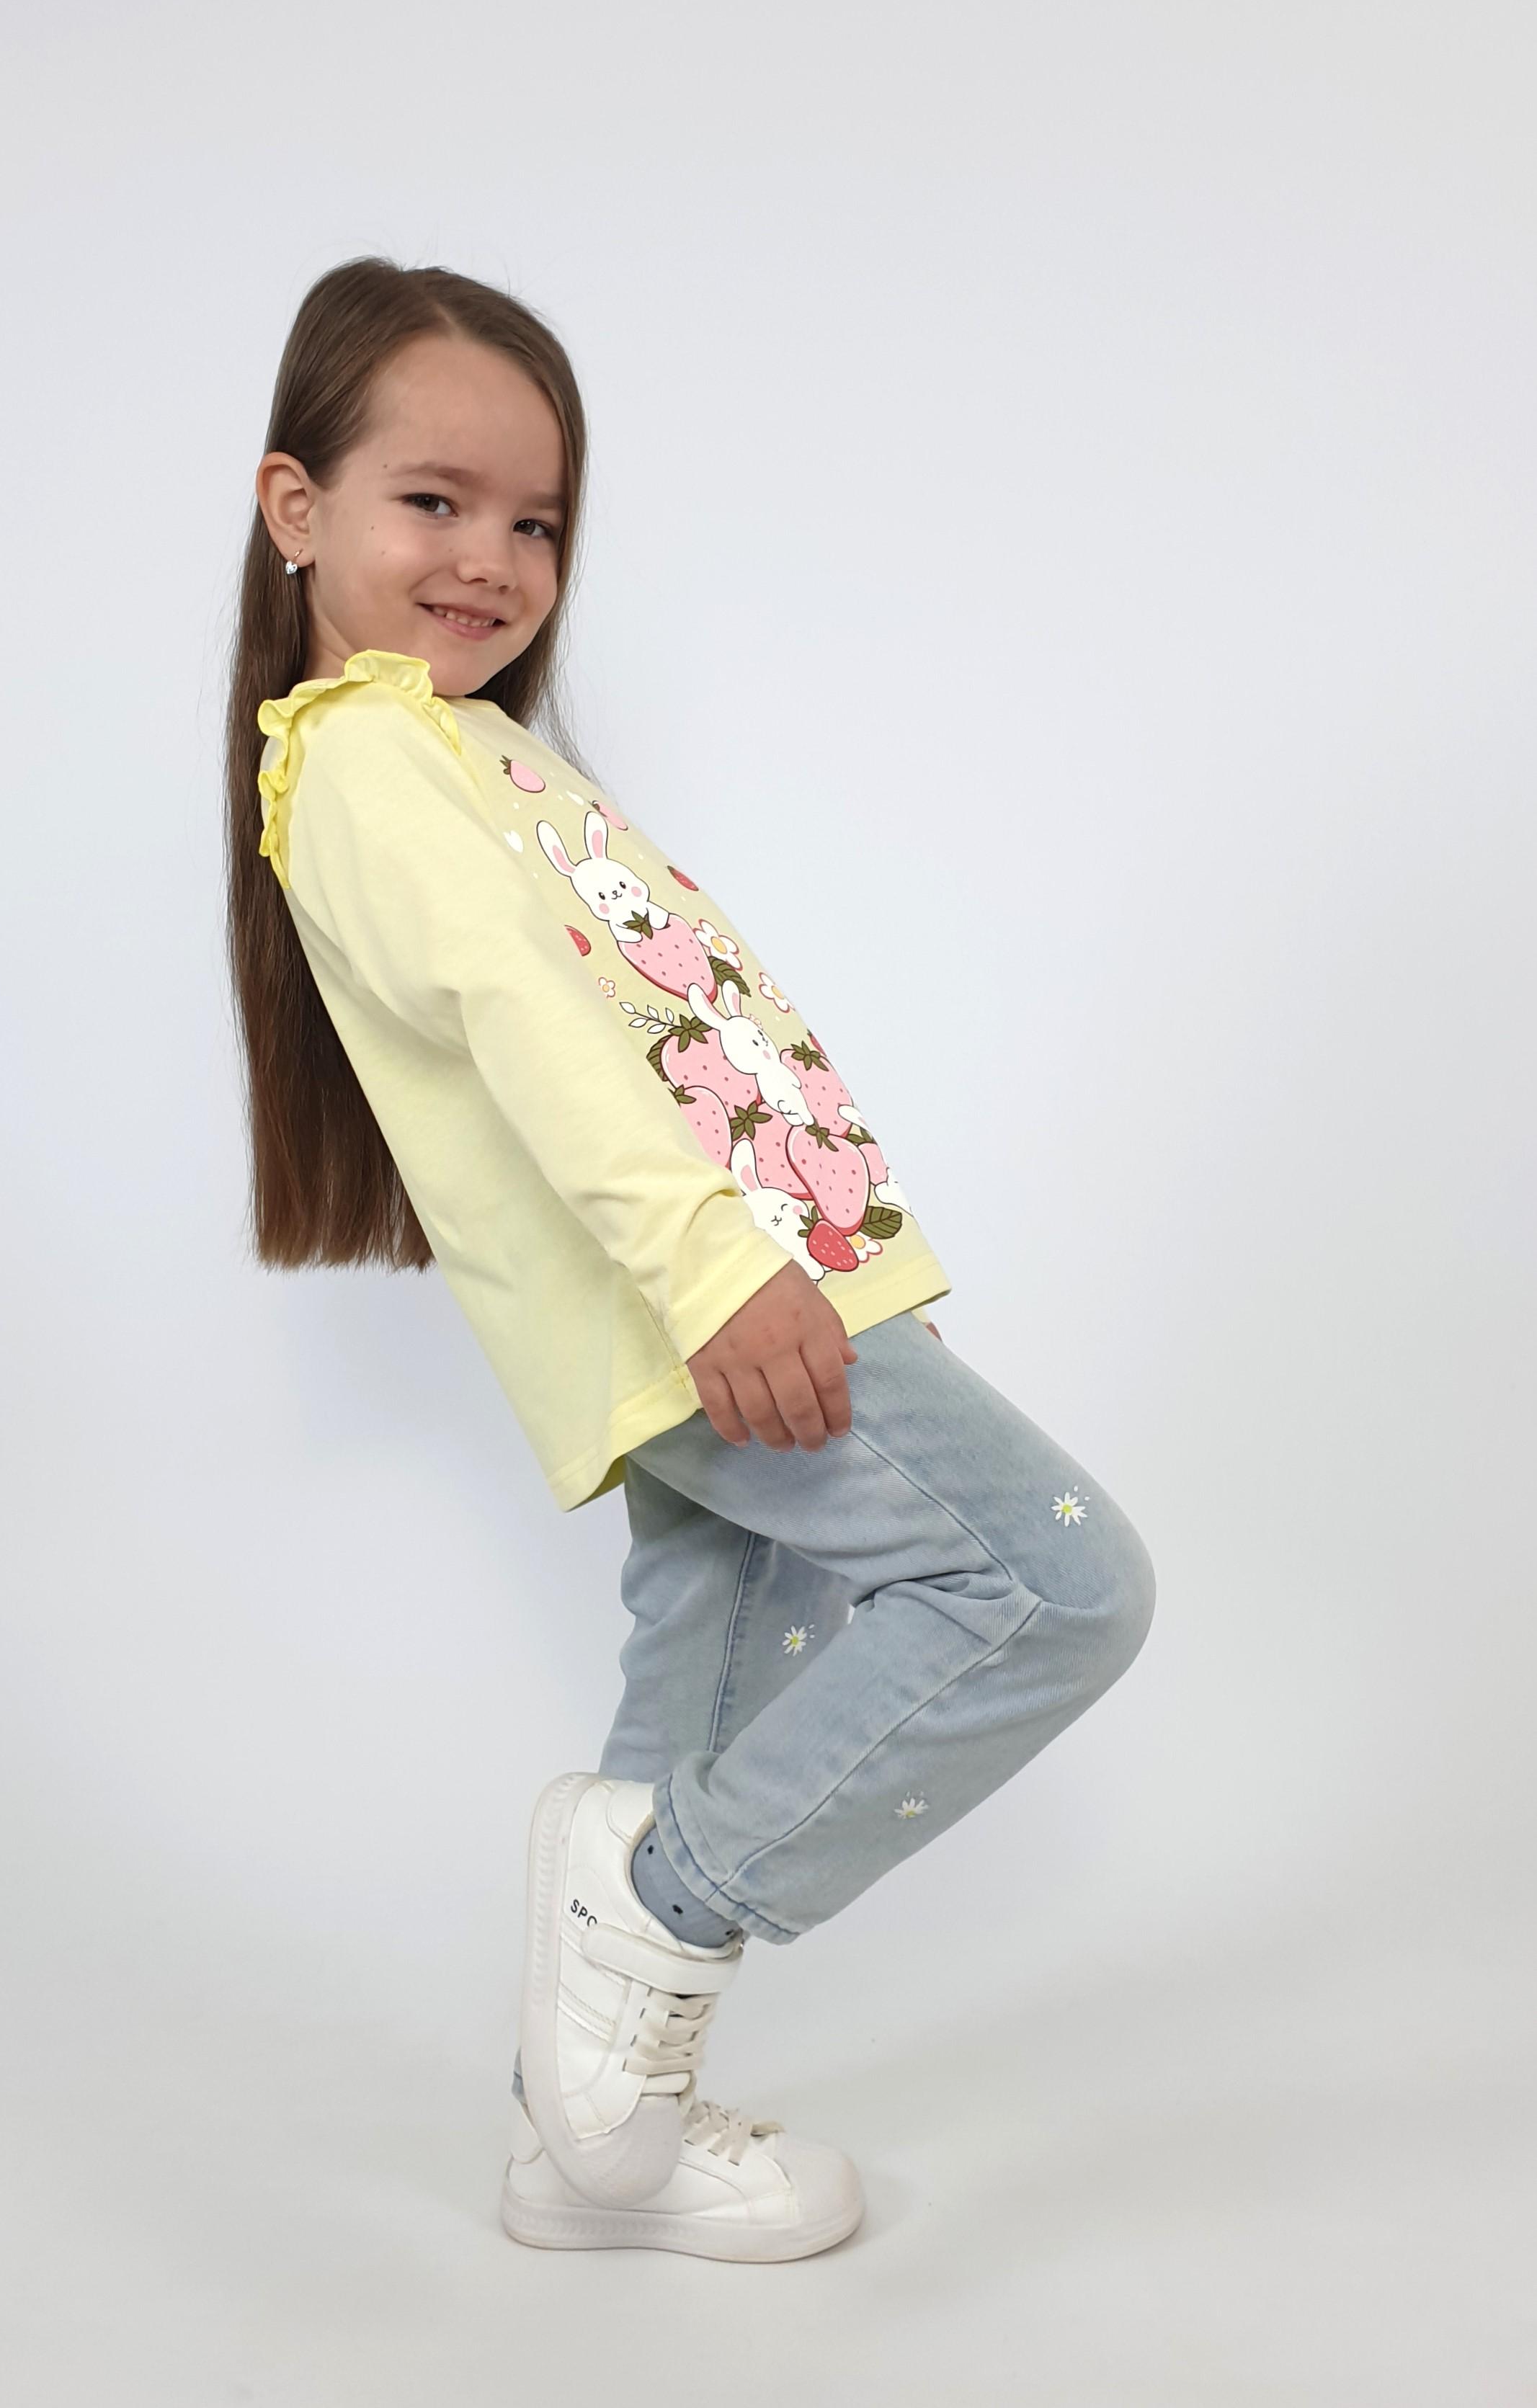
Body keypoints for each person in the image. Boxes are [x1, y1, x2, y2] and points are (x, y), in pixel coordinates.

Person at [228, 254, 1157, 2264]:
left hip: (743, 1281)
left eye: (536, 521)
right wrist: (718, 1271)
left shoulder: (471, 749)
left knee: (707, 1684)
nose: (492, 560)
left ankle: (585, 2152)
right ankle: (659, 1916)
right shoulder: (367, 756)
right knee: (1058, 1587)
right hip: (704, 1301)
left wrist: (779, 1245)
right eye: (434, 501)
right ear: (297, 506)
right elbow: (527, 1029)